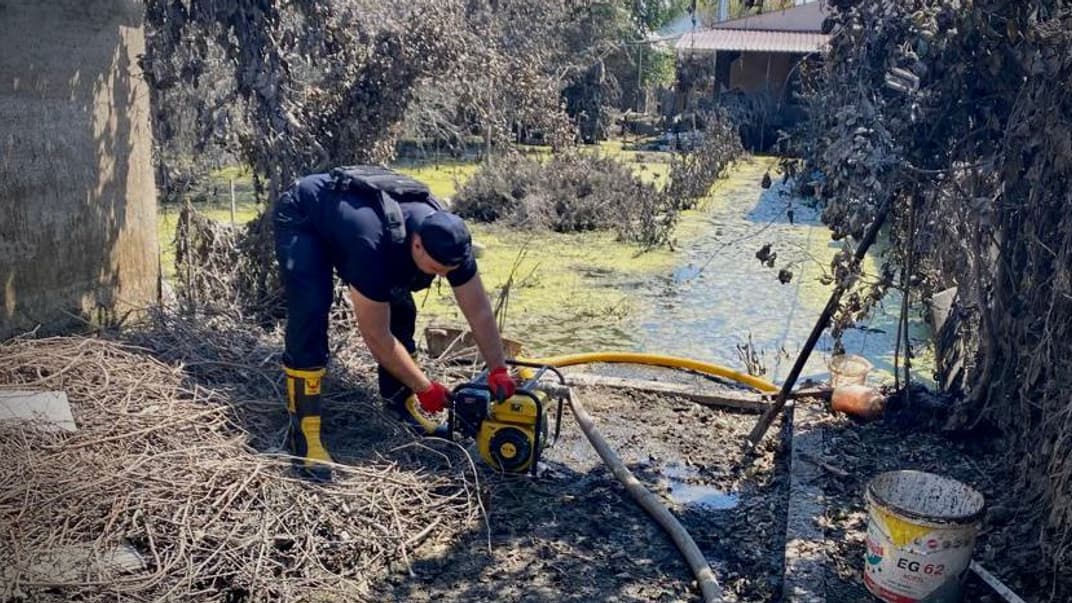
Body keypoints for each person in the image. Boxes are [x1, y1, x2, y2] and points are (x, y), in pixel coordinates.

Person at [272, 165, 517, 479]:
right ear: (416, 244)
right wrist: (425, 386)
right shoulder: (370, 244)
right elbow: (376, 336)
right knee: (311, 310)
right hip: (306, 216)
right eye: (437, 268)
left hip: (369, 229)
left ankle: (400, 404)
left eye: (449, 270)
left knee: (402, 308)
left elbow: (479, 312)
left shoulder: (450, 242)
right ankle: (305, 435)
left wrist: (498, 369)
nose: (443, 275)